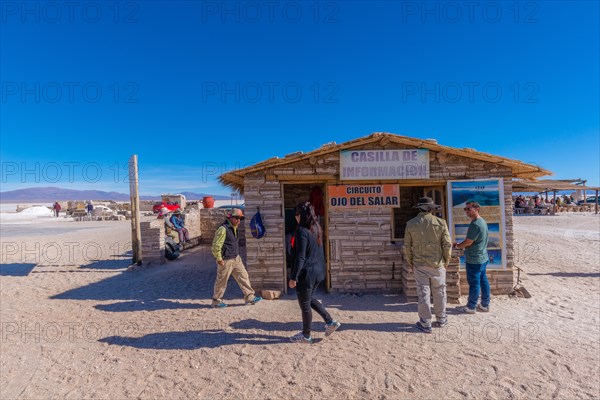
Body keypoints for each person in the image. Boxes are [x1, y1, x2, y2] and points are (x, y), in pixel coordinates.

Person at [288, 202, 341, 344]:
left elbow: (300, 257)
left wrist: (293, 277)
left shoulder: (301, 231)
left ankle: (306, 336)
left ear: (300, 215)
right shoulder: (316, 228)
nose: (296, 217)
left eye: (297, 215)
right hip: (319, 272)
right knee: (309, 299)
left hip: (307, 274)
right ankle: (330, 322)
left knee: (304, 304)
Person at [404, 197, 452, 333]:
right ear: (431, 209)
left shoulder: (411, 224)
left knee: (423, 292)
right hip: (437, 263)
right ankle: (441, 318)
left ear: (419, 208)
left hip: (419, 263)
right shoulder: (440, 223)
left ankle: (425, 322)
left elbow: (407, 246)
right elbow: (447, 244)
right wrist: (446, 260)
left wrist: (411, 260)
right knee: (440, 291)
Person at [210, 208, 262, 308]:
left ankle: (249, 297)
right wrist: (219, 258)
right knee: (222, 281)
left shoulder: (234, 227)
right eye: (237, 218)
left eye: (241, 218)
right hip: (226, 260)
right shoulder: (223, 229)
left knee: (244, 276)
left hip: (236, 258)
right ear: (231, 218)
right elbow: (216, 245)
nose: (239, 220)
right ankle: (216, 301)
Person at [454, 201, 490, 314]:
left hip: (475, 259)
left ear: (477, 209)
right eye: (465, 209)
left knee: (474, 283)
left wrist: (459, 246)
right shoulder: (482, 221)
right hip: (482, 257)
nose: (466, 211)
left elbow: (469, 241)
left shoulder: (475, 224)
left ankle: (471, 307)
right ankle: (485, 305)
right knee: (483, 281)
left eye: (469, 209)